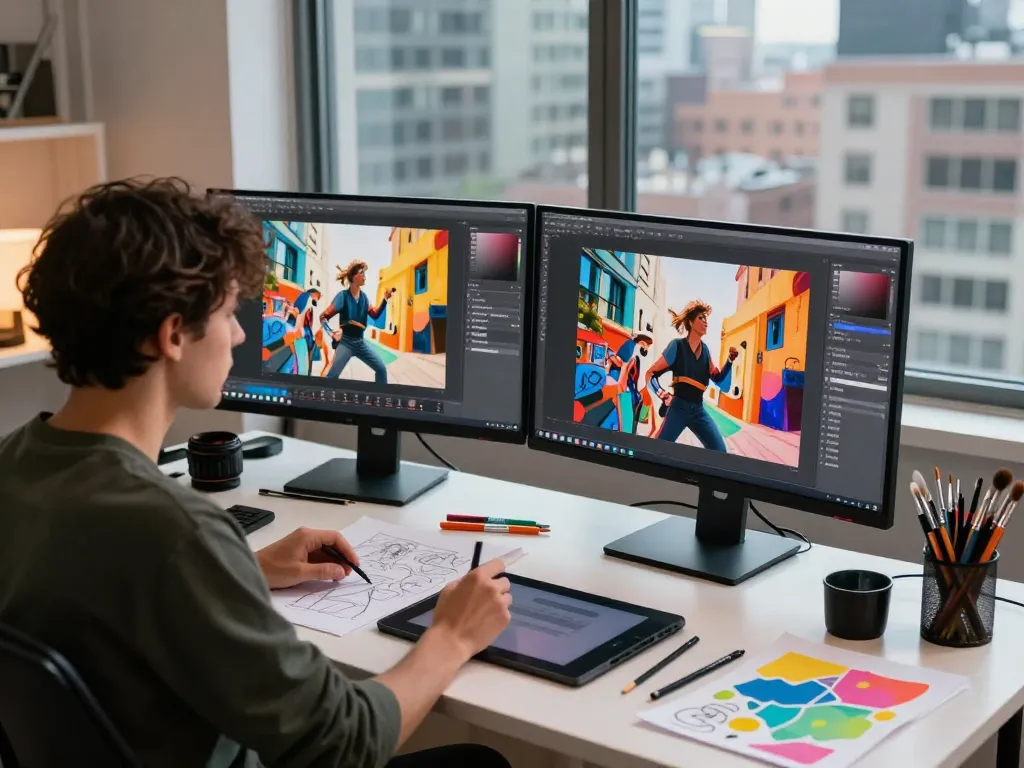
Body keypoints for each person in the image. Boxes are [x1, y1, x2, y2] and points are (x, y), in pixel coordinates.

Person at [0, 178, 512, 768]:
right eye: (226, 313)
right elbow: (344, 744)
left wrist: (241, 570)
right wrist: (452, 636)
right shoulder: (175, 533)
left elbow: (88, 596)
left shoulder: (17, 466)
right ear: (172, 335)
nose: (240, 334)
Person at [644, 300, 738, 451]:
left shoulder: (706, 351)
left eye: (706, 319)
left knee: (720, 452)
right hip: (678, 408)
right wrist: (662, 394)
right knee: (658, 450)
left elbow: (718, 379)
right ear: (691, 322)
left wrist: (729, 361)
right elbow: (650, 374)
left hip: (699, 410)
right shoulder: (677, 346)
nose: (705, 322)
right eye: (701, 318)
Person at [321, 260, 392, 384]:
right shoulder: (342, 297)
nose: (364, 276)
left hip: (360, 343)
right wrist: (332, 333)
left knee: (381, 369)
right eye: (361, 273)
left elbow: (374, 315)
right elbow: (323, 317)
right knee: (331, 377)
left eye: (365, 273)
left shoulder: (364, 298)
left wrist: (385, 299)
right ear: (353, 277)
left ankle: (380, 400)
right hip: (346, 343)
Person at [605, 333, 652, 434]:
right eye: (647, 345)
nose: (647, 348)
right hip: (620, 383)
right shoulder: (631, 347)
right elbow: (620, 362)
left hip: (626, 387)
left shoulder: (634, 352)